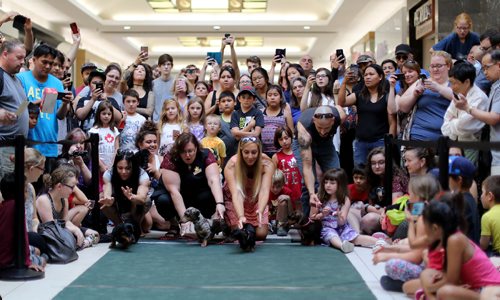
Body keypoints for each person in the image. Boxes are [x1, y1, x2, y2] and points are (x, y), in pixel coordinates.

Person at [419, 196, 500, 299]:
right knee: (425, 275)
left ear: (435, 228)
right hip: (471, 286)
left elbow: (451, 281)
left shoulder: (454, 240)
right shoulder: (447, 239)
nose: (424, 233)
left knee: (444, 292)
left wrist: (429, 288)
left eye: (425, 227)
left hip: (489, 288)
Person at [372, 174, 441, 295]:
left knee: (391, 265)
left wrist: (386, 256)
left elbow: (416, 255)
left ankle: (417, 284)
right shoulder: (426, 209)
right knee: (402, 244)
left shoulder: (424, 218)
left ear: (419, 196)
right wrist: (390, 248)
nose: (408, 198)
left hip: (432, 270)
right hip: (430, 263)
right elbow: (416, 245)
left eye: (410, 194)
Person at [17, 44, 73, 171]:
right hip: (27, 144)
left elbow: (60, 115)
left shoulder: (57, 83)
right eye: (44, 62)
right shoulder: (21, 79)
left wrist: (65, 103)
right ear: (34, 59)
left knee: (46, 187)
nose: (48, 66)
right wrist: (38, 102)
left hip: (49, 144)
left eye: (51, 63)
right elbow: (17, 110)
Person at [159, 133, 225, 236]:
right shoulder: (170, 159)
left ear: (196, 148)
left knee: (209, 196)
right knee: (162, 200)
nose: (187, 155)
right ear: (178, 151)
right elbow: (174, 191)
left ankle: (201, 223)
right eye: (183, 152)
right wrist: (185, 219)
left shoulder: (206, 155)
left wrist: (220, 203)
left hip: (198, 194)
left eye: (190, 151)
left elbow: (214, 180)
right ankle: (174, 224)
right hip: (178, 197)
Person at [310, 169, 384, 253]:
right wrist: (322, 214)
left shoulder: (345, 200)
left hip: (342, 227)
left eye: (332, 183)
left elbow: (342, 222)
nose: (328, 185)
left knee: (355, 237)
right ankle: (342, 246)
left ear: (340, 185)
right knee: (331, 235)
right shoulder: (319, 197)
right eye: (326, 182)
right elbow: (312, 218)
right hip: (327, 228)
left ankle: (379, 242)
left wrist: (338, 215)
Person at [338, 64, 395, 165]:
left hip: (380, 142)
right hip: (361, 142)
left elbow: (392, 122)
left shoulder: (386, 96)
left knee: (380, 174)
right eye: (365, 75)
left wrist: (389, 144)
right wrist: (344, 83)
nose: (367, 77)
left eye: (371, 74)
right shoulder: (359, 95)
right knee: (360, 174)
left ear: (380, 77)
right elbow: (341, 102)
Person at [454, 50, 500, 175]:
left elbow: (494, 118)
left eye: (487, 67)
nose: (484, 72)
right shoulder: (495, 85)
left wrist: (467, 108)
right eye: (483, 68)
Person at [295, 105, 345, 217]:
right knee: (308, 184)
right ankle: (307, 220)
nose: (322, 131)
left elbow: (340, 108)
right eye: (319, 128)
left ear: (333, 121)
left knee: (336, 176)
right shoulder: (304, 130)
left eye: (326, 128)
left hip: (325, 144)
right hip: (305, 144)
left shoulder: (339, 117)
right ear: (313, 120)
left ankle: (334, 215)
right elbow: (307, 167)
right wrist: (312, 193)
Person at [224, 137, 275, 244]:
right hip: (236, 199)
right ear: (241, 151)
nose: (250, 156)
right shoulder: (232, 164)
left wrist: (260, 210)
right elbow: (236, 193)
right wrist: (241, 216)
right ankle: (228, 225)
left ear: (259, 151)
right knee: (239, 231)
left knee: (261, 234)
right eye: (246, 152)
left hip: (256, 198)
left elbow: (265, 190)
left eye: (254, 152)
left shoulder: (267, 164)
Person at [397, 51, 454, 141]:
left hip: (445, 139)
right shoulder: (422, 82)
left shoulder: (455, 83)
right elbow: (402, 107)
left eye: (439, 66)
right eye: (432, 66)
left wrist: (439, 88)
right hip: (417, 137)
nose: (435, 69)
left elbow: (462, 98)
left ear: (448, 66)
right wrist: (414, 95)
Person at [441, 61, 488, 163]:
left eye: (454, 83)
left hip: (470, 146)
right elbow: (445, 123)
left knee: (466, 176)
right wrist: (456, 122)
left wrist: (453, 122)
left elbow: (465, 127)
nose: (451, 87)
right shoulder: (458, 93)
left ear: (467, 82)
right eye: (450, 82)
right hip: (453, 144)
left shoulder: (479, 98)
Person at [99, 150, 151, 233]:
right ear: (115, 166)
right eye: (120, 168)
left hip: (135, 205)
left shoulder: (142, 174)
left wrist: (132, 197)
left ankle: (135, 226)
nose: (124, 172)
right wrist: (108, 199)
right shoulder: (109, 174)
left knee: (147, 225)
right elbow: (107, 192)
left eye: (128, 168)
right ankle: (120, 227)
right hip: (118, 204)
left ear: (133, 166)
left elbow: (142, 198)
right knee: (102, 199)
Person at [37, 165, 86, 249]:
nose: (73, 190)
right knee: (74, 237)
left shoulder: (64, 199)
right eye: (72, 187)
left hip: (60, 230)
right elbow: (51, 229)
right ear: (59, 186)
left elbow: (65, 221)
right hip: (49, 234)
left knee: (94, 234)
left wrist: (76, 229)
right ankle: (81, 243)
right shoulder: (44, 200)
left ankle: (82, 242)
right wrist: (74, 230)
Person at [0, 39, 28, 181]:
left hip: (18, 146)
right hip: (3, 146)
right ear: (5, 54)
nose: (23, 62)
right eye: (19, 57)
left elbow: (20, 107)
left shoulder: (16, 79)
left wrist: (31, 105)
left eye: (24, 58)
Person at [363, 147, 408, 234]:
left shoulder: (396, 178)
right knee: (353, 209)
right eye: (373, 163)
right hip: (381, 212)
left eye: (381, 162)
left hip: (395, 218)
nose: (377, 166)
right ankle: (357, 234)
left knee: (368, 219)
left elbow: (394, 211)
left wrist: (368, 208)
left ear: (388, 163)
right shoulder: (373, 178)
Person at [272, 126, 302, 211]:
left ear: (291, 137)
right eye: (281, 139)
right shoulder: (276, 157)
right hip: (285, 191)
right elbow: (274, 178)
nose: (284, 141)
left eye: (286, 138)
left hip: (299, 189)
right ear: (277, 141)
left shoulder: (299, 153)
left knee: (300, 214)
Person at [261, 84, 293, 157]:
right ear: (266, 98)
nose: (272, 97)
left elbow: (291, 133)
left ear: (281, 98)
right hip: (263, 152)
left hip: (281, 151)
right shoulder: (260, 112)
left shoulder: (286, 113)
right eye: (269, 95)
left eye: (275, 95)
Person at [88, 101, 120, 175]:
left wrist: (112, 164)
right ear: (99, 114)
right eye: (104, 114)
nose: (106, 116)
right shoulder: (94, 130)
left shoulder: (114, 130)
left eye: (109, 114)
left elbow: (117, 148)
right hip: (98, 166)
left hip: (112, 165)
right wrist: (101, 165)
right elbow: (92, 151)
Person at [268, 169, 294, 236]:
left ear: (283, 184)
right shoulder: (266, 191)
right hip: (269, 221)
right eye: (273, 186)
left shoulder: (288, 192)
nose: (275, 189)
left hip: (283, 221)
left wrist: (288, 199)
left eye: (278, 186)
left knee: (283, 202)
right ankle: (268, 226)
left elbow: (292, 215)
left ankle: (281, 227)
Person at [480, 175, 500, 256]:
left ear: (490, 196)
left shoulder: (487, 217)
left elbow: (483, 245)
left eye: (482, 192)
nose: (480, 196)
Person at [152, 54, 174, 122]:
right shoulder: (153, 83)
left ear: (172, 66)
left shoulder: (176, 82)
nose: (166, 67)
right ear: (159, 67)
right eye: (163, 64)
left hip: (172, 121)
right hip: (157, 121)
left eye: (168, 64)